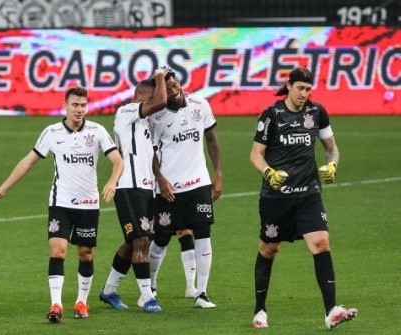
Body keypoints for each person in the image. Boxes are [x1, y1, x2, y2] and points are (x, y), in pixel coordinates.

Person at [0, 86, 123, 323]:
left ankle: (81, 301)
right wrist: (3, 188)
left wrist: (112, 182)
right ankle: (56, 304)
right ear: (65, 106)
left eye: (83, 105)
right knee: (58, 250)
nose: (79, 109)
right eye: (75, 105)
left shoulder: (97, 131)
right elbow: (28, 162)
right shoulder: (51, 132)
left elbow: (118, 161)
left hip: (88, 203)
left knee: (85, 254)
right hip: (61, 202)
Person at [249, 66, 358, 329]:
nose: (304, 94)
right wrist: (268, 172)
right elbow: (255, 154)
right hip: (276, 197)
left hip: (308, 194)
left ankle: (331, 310)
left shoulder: (316, 112)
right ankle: (260, 310)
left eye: (308, 89)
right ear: (289, 86)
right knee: (269, 249)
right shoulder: (271, 115)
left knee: (321, 243)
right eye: (300, 88)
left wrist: (333, 165)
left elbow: (332, 149)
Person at [148, 67, 223, 309]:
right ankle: (150, 286)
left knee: (203, 233)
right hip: (170, 188)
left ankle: (201, 293)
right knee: (160, 237)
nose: (174, 89)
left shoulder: (200, 104)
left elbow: (211, 139)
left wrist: (218, 174)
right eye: (167, 88)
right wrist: (160, 179)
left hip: (199, 183)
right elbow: (151, 153)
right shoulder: (155, 117)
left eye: (175, 83)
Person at [98, 69, 169, 313]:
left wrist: (160, 178)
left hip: (145, 189)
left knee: (135, 241)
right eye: (149, 99)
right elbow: (161, 101)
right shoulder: (126, 111)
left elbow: (150, 157)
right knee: (141, 240)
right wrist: (160, 75)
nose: (154, 104)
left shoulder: (143, 124)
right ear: (139, 96)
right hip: (128, 186)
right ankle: (147, 297)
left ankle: (108, 291)